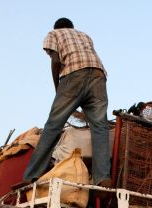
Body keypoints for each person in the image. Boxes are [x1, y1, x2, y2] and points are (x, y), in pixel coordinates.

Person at [22, 18, 110, 186]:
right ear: (72, 27)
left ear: (57, 27)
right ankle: (102, 177)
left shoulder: (54, 34)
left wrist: (57, 88)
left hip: (73, 75)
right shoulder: (84, 35)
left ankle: (31, 175)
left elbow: (56, 61)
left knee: (53, 125)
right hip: (98, 75)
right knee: (100, 128)